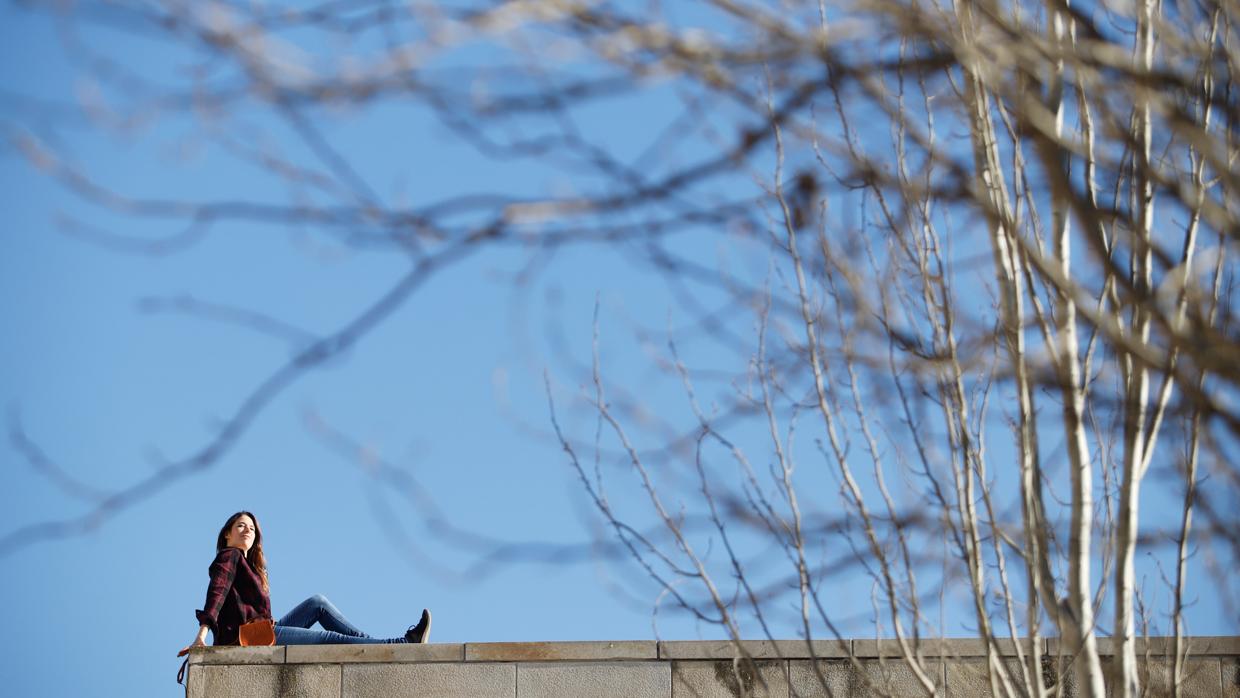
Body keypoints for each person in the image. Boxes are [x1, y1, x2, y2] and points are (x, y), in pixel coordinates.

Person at [179, 511, 431, 654]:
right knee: (329, 639)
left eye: (252, 529)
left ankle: (379, 642)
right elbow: (218, 591)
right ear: (227, 533)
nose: (247, 531)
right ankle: (403, 644)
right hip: (246, 638)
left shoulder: (250, 568)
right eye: (241, 526)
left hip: (263, 631)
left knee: (317, 603)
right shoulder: (229, 555)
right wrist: (202, 634)